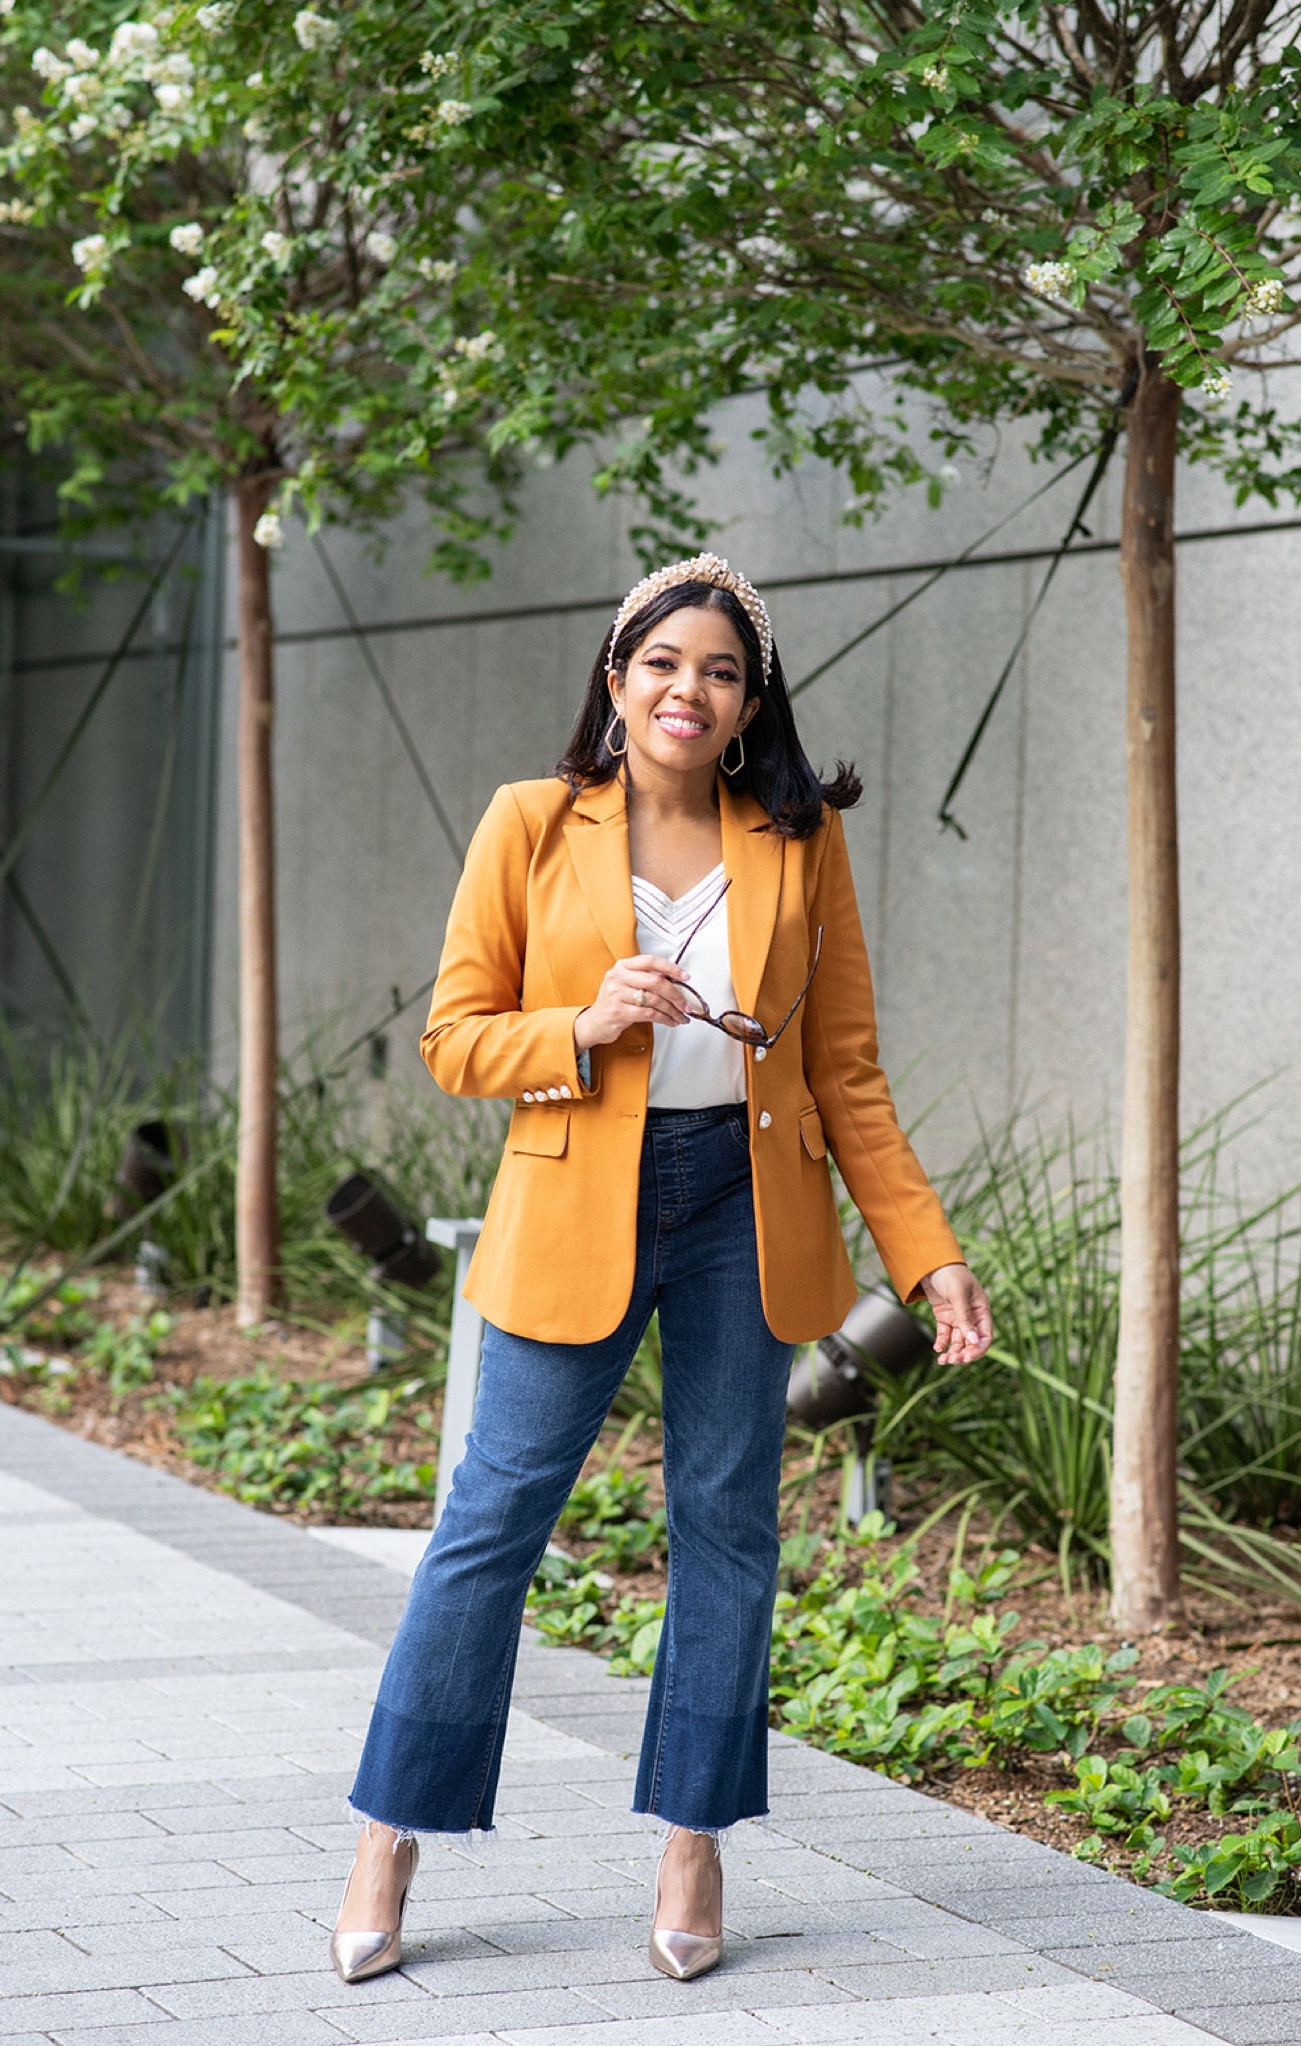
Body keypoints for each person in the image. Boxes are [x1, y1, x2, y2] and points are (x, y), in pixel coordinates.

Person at [331, 552, 993, 1987]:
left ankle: (694, 1837)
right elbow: (455, 1037)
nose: (688, 689)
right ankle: (392, 1825)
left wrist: (925, 1257)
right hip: (578, 1193)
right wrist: (583, 1018)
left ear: (750, 702)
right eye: (663, 664)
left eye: (720, 670)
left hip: (740, 1210)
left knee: (726, 1528)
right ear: (615, 680)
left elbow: (849, 1075)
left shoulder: (797, 839)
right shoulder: (531, 821)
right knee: (492, 1519)